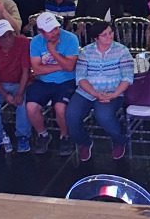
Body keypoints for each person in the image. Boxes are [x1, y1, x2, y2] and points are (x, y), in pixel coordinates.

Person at [66, 19, 134, 162]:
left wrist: (114, 94)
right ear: (96, 38)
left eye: (110, 33)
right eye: (104, 35)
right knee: (71, 116)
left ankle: (119, 140)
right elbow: (81, 78)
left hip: (113, 91)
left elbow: (127, 77)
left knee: (103, 116)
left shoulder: (122, 51)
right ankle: (84, 142)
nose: (109, 37)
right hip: (86, 92)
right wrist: (95, 93)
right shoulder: (86, 52)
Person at [24, 12, 80, 157]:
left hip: (66, 81)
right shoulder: (35, 42)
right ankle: (43, 134)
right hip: (43, 81)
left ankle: (65, 136)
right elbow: (37, 69)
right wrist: (61, 65)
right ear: (41, 32)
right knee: (31, 107)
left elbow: (69, 68)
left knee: (60, 108)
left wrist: (52, 51)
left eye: (56, 28)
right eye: (50, 31)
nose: (55, 33)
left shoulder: (70, 39)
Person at [0, 19, 31, 153]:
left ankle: (23, 136)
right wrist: (5, 95)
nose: (9, 39)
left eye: (10, 34)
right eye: (4, 36)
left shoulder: (23, 43)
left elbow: (26, 70)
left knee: (23, 102)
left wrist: (19, 93)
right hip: (0, 84)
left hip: (20, 81)